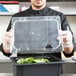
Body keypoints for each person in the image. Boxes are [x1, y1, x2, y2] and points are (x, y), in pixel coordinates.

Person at [0, 0, 74, 58]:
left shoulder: (59, 17)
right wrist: (6, 45)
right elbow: (7, 52)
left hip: (52, 66)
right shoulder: (17, 19)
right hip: (24, 66)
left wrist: (68, 43)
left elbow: (69, 53)